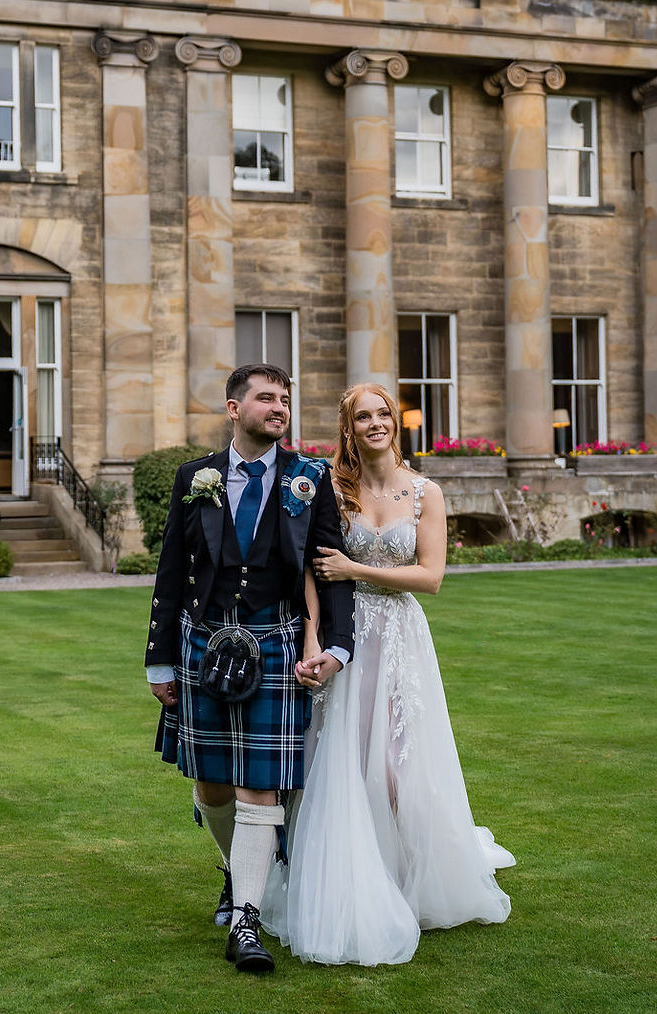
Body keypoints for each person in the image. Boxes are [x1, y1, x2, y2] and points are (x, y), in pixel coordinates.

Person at [263, 382, 515, 966]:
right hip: (347, 637)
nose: (375, 423)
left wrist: (353, 566)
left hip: (400, 636)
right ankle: (349, 879)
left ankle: (418, 881)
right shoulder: (333, 489)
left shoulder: (426, 491)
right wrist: (311, 639)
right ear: (347, 429)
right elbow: (310, 572)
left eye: (383, 414)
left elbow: (431, 577)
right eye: (362, 417)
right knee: (344, 760)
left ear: (394, 424)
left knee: (401, 767)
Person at [146, 363, 355, 974]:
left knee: (258, 786)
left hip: (276, 643)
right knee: (212, 784)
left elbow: (329, 569)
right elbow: (169, 575)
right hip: (204, 643)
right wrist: (159, 660)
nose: (279, 407)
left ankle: (247, 920)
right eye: (266, 398)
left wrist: (337, 648)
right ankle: (240, 870)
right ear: (233, 409)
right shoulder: (196, 477)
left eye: (285, 399)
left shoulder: (309, 479)